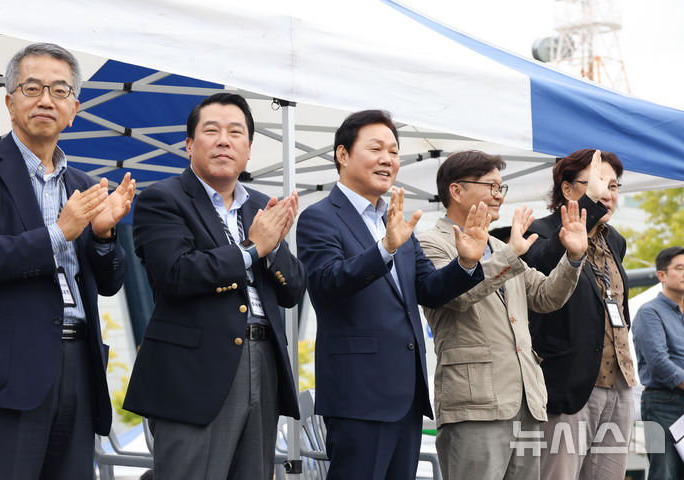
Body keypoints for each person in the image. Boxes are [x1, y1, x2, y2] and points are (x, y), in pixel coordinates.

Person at [0, 43, 134, 479]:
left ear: (73, 108)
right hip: (7, 373)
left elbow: (111, 282)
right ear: (9, 101)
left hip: (79, 362)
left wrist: (103, 234)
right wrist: (60, 232)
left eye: (59, 91)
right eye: (32, 87)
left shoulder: (82, 185)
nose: (45, 100)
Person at [296, 110, 489, 479]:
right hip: (359, 397)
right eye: (376, 149)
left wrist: (465, 264)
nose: (388, 159)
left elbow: (429, 290)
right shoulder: (320, 217)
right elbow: (326, 283)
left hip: (405, 396)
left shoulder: (396, 221)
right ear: (342, 154)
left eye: (394, 151)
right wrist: (384, 248)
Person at [123, 92, 306, 479]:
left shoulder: (261, 204)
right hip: (195, 370)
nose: (224, 140)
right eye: (212, 131)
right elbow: (176, 273)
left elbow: (292, 291)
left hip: (264, 360)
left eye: (236, 132)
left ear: (249, 149)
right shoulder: (162, 199)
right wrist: (252, 248)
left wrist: (270, 250)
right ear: (190, 144)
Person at [418, 150, 587, 480]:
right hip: (475, 403)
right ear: (456, 190)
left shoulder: (499, 247)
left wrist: (574, 258)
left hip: (526, 399)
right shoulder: (429, 243)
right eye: (491, 187)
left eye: (501, 188)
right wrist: (511, 254)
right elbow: (457, 296)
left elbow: (545, 296)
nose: (499, 196)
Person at [521, 149, 635, 479]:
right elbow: (541, 264)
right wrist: (586, 212)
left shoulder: (614, 239)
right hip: (569, 385)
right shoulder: (539, 231)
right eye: (598, 184)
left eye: (614, 186)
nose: (607, 195)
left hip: (620, 383)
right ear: (568, 190)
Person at [632, 246, 684, 480]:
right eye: (680, 268)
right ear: (661, 275)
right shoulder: (649, 312)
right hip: (661, 403)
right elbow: (659, 363)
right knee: (664, 473)